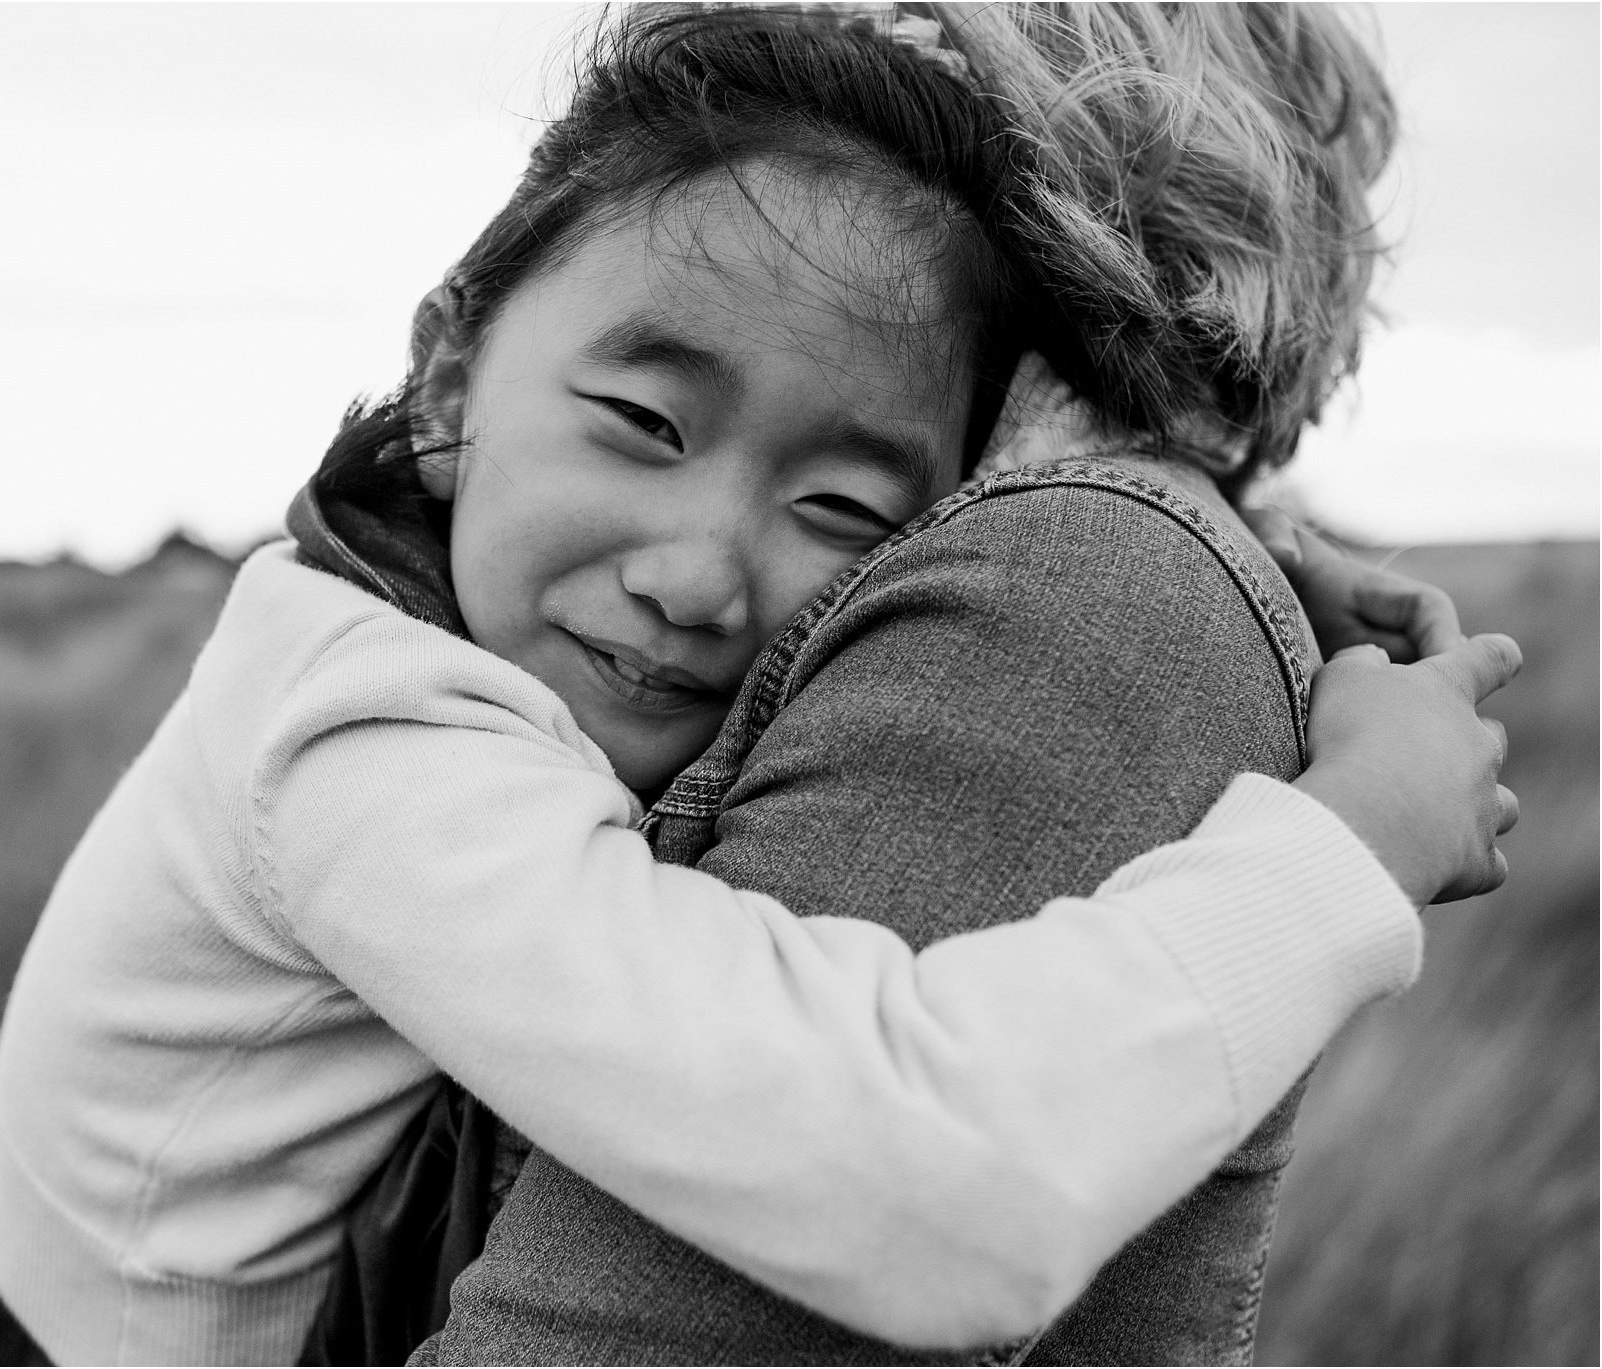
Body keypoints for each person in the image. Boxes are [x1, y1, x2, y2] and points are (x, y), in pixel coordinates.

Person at [0, 4, 1517, 1365]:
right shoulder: (359, 748)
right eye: (646, 421)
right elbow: (941, 1189)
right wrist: (1357, 841)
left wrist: (1242, 537)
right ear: (449, 372)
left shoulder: (410, 616)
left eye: (848, 511)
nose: (701, 575)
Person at [404, 4, 1481, 1364]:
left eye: (877, 46)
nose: (797, 59)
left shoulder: (1080, 591)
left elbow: (889, 1203)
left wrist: (1362, 834)